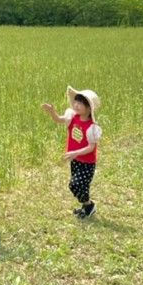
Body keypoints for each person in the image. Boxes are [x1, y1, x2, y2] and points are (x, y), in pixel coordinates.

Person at [41, 86, 102, 219]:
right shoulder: (73, 117)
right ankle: (87, 208)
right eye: (76, 101)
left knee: (75, 184)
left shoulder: (92, 127)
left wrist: (75, 152)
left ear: (89, 108)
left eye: (80, 103)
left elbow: (91, 147)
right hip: (76, 160)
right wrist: (52, 112)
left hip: (87, 163)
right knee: (81, 186)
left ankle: (89, 205)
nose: (76, 104)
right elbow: (58, 119)